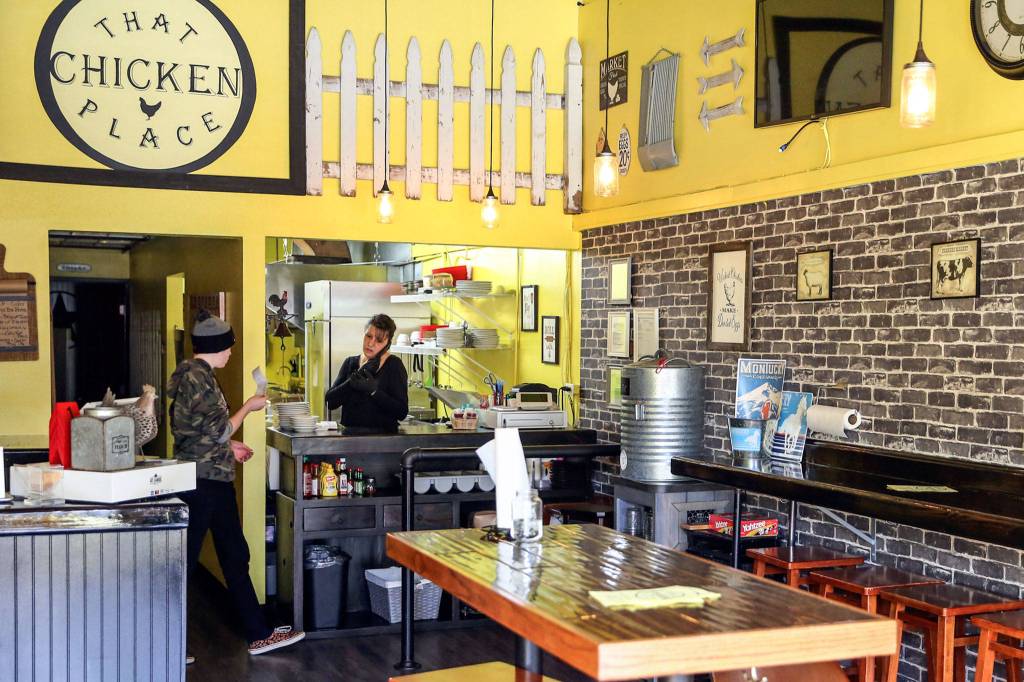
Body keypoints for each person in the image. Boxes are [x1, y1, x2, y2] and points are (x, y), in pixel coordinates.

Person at [168, 310, 305, 660]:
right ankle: (168, 644)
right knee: (199, 561)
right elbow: (216, 430)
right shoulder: (202, 380)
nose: (231, 352)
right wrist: (249, 407)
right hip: (207, 482)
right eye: (228, 347)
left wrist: (229, 447)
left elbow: (193, 433)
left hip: (198, 475)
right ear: (216, 347)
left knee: (227, 556)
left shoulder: (189, 374)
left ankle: (257, 633)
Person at [325, 313, 409, 430]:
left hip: (383, 442)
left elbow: (401, 412)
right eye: (368, 336)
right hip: (349, 440)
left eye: (379, 340)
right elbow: (330, 402)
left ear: (387, 344)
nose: (370, 343)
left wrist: (374, 391)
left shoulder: (394, 365)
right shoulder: (350, 362)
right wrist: (350, 383)